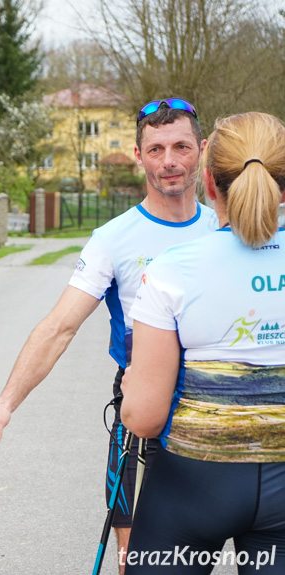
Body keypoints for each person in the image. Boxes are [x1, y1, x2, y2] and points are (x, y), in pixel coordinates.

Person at [0, 98, 217, 573]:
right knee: (138, 560)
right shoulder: (113, 239)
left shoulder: (224, 228)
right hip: (143, 413)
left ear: (201, 150)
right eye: (157, 148)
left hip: (217, 403)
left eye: (182, 147)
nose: (170, 161)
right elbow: (59, 327)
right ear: (139, 154)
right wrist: (4, 404)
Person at [121, 111, 285, 574]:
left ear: (209, 183)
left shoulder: (174, 267)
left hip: (194, 485)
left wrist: (134, 390)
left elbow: (146, 419)